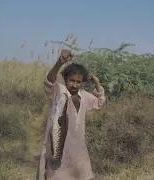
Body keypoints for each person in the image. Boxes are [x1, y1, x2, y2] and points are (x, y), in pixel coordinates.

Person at [36, 49, 106, 180]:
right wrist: (59, 63)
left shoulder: (84, 96)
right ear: (65, 79)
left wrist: (97, 84)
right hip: (57, 148)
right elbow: (49, 81)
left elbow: (100, 103)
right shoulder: (59, 91)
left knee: (80, 175)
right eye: (71, 80)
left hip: (78, 149)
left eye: (78, 82)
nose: (74, 84)